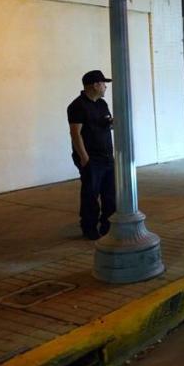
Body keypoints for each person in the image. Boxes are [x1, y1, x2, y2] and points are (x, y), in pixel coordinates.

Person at [67, 70, 116, 240]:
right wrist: (84, 158)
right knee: (90, 195)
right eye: (103, 84)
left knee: (110, 194)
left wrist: (113, 123)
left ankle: (107, 226)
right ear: (95, 85)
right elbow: (75, 134)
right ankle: (89, 227)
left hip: (108, 157)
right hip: (92, 159)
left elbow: (106, 124)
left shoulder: (102, 104)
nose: (105, 87)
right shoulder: (77, 106)